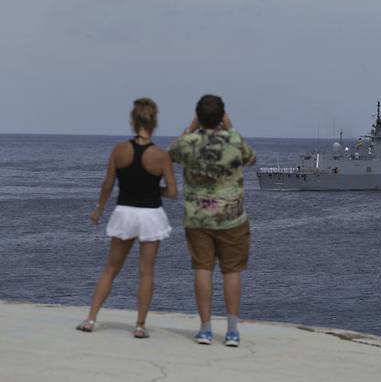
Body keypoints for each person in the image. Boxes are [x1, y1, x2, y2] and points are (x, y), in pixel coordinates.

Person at [77, 98, 177, 338]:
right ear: (154, 123)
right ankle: (140, 326)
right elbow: (173, 192)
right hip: (151, 215)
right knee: (146, 272)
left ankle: (91, 319)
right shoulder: (160, 155)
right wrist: (155, 190)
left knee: (110, 269)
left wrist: (99, 209)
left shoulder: (119, 150)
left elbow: (108, 184)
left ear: (133, 121)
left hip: (124, 213)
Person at [169, 94, 256, 347]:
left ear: (198, 116)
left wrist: (190, 128)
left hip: (198, 218)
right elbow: (251, 158)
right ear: (222, 116)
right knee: (232, 272)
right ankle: (231, 332)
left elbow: (170, 153)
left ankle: (205, 329)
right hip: (232, 218)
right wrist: (231, 128)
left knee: (203, 269)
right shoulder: (234, 141)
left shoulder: (189, 142)